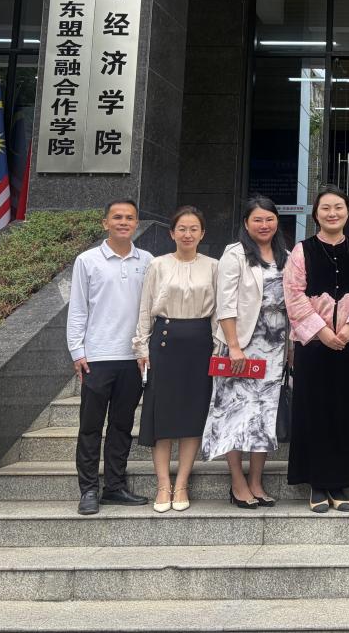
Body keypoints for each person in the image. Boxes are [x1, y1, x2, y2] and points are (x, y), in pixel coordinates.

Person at [284, 185, 349, 513]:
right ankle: (317, 483)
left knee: (343, 409)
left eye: (338, 207)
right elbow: (293, 294)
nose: (332, 213)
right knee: (314, 409)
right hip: (312, 344)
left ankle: (340, 482)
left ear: (348, 213)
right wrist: (321, 331)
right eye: (325, 208)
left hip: (348, 344)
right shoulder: (302, 251)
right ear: (316, 214)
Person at [200, 196, 290, 509]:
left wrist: (291, 347)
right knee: (235, 413)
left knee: (264, 414)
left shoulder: (286, 255)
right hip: (241, 345)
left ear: (277, 221)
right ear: (246, 224)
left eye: (269, 219)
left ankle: (256, 482)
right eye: (257, 220)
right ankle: (238, 482)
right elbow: (225, 304)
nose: (264, 225)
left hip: (275, 347)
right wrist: (234, 346)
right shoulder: (235, 254)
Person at [66, 199, 153, 516]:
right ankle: (88, 489)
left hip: (132, 358)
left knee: (121, 425)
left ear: (137, 223)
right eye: (117, 217)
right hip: (97, 357)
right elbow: (78, 308)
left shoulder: (148, 260)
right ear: (105, 223)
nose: (123, 222)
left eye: (129, 217)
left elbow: (151, 309)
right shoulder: (87, 261)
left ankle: (115, 486)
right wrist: (77, 351)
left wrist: (147, 349)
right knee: (90, 427)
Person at [134, 206, 218, 513]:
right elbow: (145, 308)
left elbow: (219, 311)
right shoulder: (158, 265)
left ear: (202, 233)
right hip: (164, 342)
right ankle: (162, 484)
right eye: (182, 228)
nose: (187, 234)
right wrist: (141, 348)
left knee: (192, 415)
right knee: (162, 415)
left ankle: (181, 483)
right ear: (172, 233)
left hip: (200, 344)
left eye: (193, 229)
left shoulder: (213, 266)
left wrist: (218, 347)